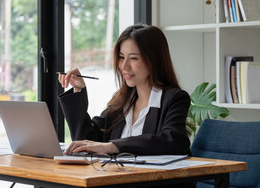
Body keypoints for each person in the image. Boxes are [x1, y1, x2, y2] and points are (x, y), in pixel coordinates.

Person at [58, 24, 191, 157]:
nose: (124, 66)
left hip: (152, 177)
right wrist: (78, 90)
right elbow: (86, 138)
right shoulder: (122, 100)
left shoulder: (174, 98)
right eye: (121, 57)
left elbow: (174, 141)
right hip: (116, 176)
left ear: (154, 60)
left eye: (133, 58)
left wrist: (113, 146)